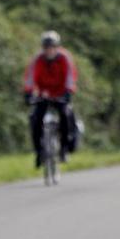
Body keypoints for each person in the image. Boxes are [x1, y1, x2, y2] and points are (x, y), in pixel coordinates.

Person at [23, 30, 78, 167]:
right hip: (44, 94)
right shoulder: (37, 60)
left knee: (65, 115)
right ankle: (39, 152)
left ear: (57, 47)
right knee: (35, 118)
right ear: (43, 48)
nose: (49, 50)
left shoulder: (65, 58)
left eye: (52, 47)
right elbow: (29, 78)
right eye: (46, 47)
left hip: (60, 94)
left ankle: (64, 149)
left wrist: (68, 91)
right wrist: (28, 93)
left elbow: (70, 77)